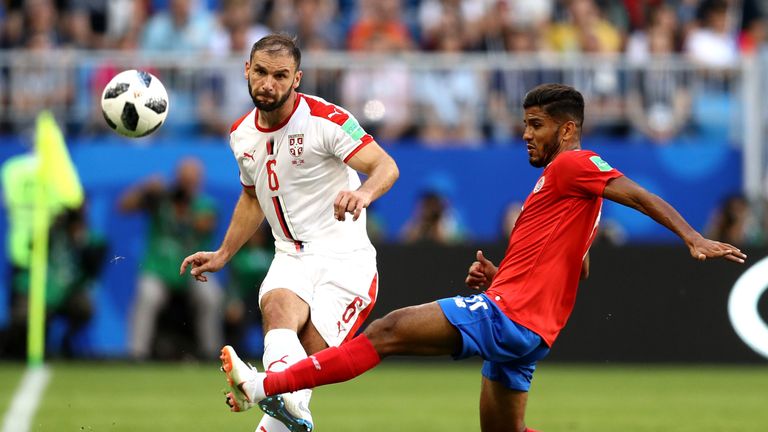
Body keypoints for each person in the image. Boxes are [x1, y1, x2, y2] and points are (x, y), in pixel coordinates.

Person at [216, 84, 747, 432]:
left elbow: (635, 193)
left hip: (510, 316)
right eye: (525, 123)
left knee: (387, 331)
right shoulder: (566, 193)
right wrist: (501, 274)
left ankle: (267, 384)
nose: (525, 134)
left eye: (536, 125)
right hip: (528, 327)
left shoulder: (575, 166)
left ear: (566, 129)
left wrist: (691, 237)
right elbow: (575, 266)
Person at [179, 34, 399, 432]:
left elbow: (386, 166)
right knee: (278, 313)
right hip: (290, 255)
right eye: (261, 72)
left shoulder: (324, 120)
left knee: (300, 377)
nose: (268, 83)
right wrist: (223, 254)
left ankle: (263, 387)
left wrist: (363, 193)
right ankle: (266, 388)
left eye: (280, 75)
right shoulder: (241, 135)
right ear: (246, 70)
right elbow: (252, 199)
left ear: (297, 79)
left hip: (344, 261)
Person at [120, 157, 223, 360]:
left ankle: (211, 354)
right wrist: (145, 190)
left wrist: (183, 210)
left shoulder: (205, 204)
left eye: (192, 181)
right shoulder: (161, 200)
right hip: (159, 269)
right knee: (147, 296)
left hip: (194, 271)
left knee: (211, 297)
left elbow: (205, 224)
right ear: (176, 179)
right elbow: (124, 206)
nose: (187, 185)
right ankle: (136, 354)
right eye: (184, 180)